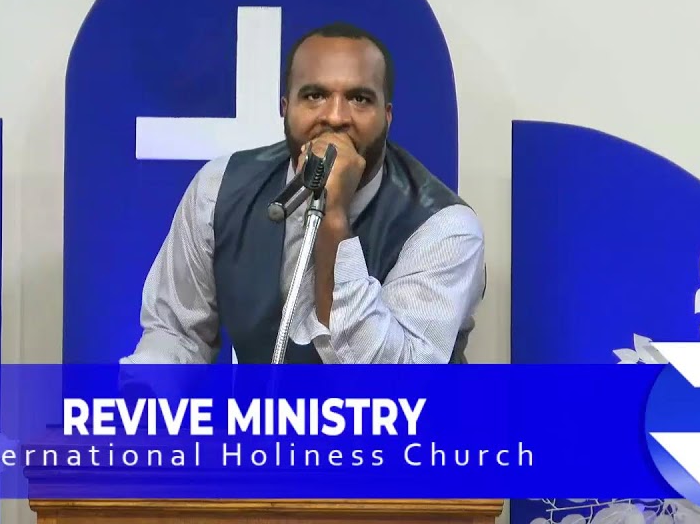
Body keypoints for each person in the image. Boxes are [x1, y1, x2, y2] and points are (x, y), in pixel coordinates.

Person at [122, 22, 486, 365]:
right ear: (285, 108)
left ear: (387, 116)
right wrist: (145, 396)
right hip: (263, 413)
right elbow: (176, 333)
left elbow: (390, 385)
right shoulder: (218, 190)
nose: (336, 117)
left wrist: (334, 220)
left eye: (359, 99)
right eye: (314, 96)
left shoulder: (444, 228)